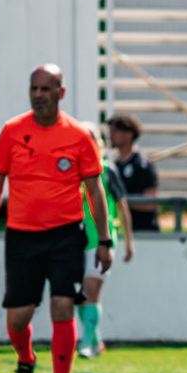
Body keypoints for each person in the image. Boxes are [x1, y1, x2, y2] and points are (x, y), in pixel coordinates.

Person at [0, 65, 111, 373]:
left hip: (66, 234)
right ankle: (26, 361)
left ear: (60, 93)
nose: (38, 95)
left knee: (62, 305)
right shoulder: (12, 131)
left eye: (46, 89)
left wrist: (105, 241)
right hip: (22, 235)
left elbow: (95, 190)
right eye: (34, 88)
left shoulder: (79, 135)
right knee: (17, 318)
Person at [77, 126, 134, 358]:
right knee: (80, 296)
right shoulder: (71, 171)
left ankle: (87, 343)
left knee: (91, 291)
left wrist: (129, 242)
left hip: (101, 239)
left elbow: (122, 207)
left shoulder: (107, 171)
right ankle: (95, 340)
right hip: (75, 240)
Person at [109, 113, 162, 233]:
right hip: (123, 232)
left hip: (144, 232)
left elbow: (151, 203)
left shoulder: (142, 164)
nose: (110, 136)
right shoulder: (115, 165)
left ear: (129, 134)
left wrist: (121, 201)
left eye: (115, 131)